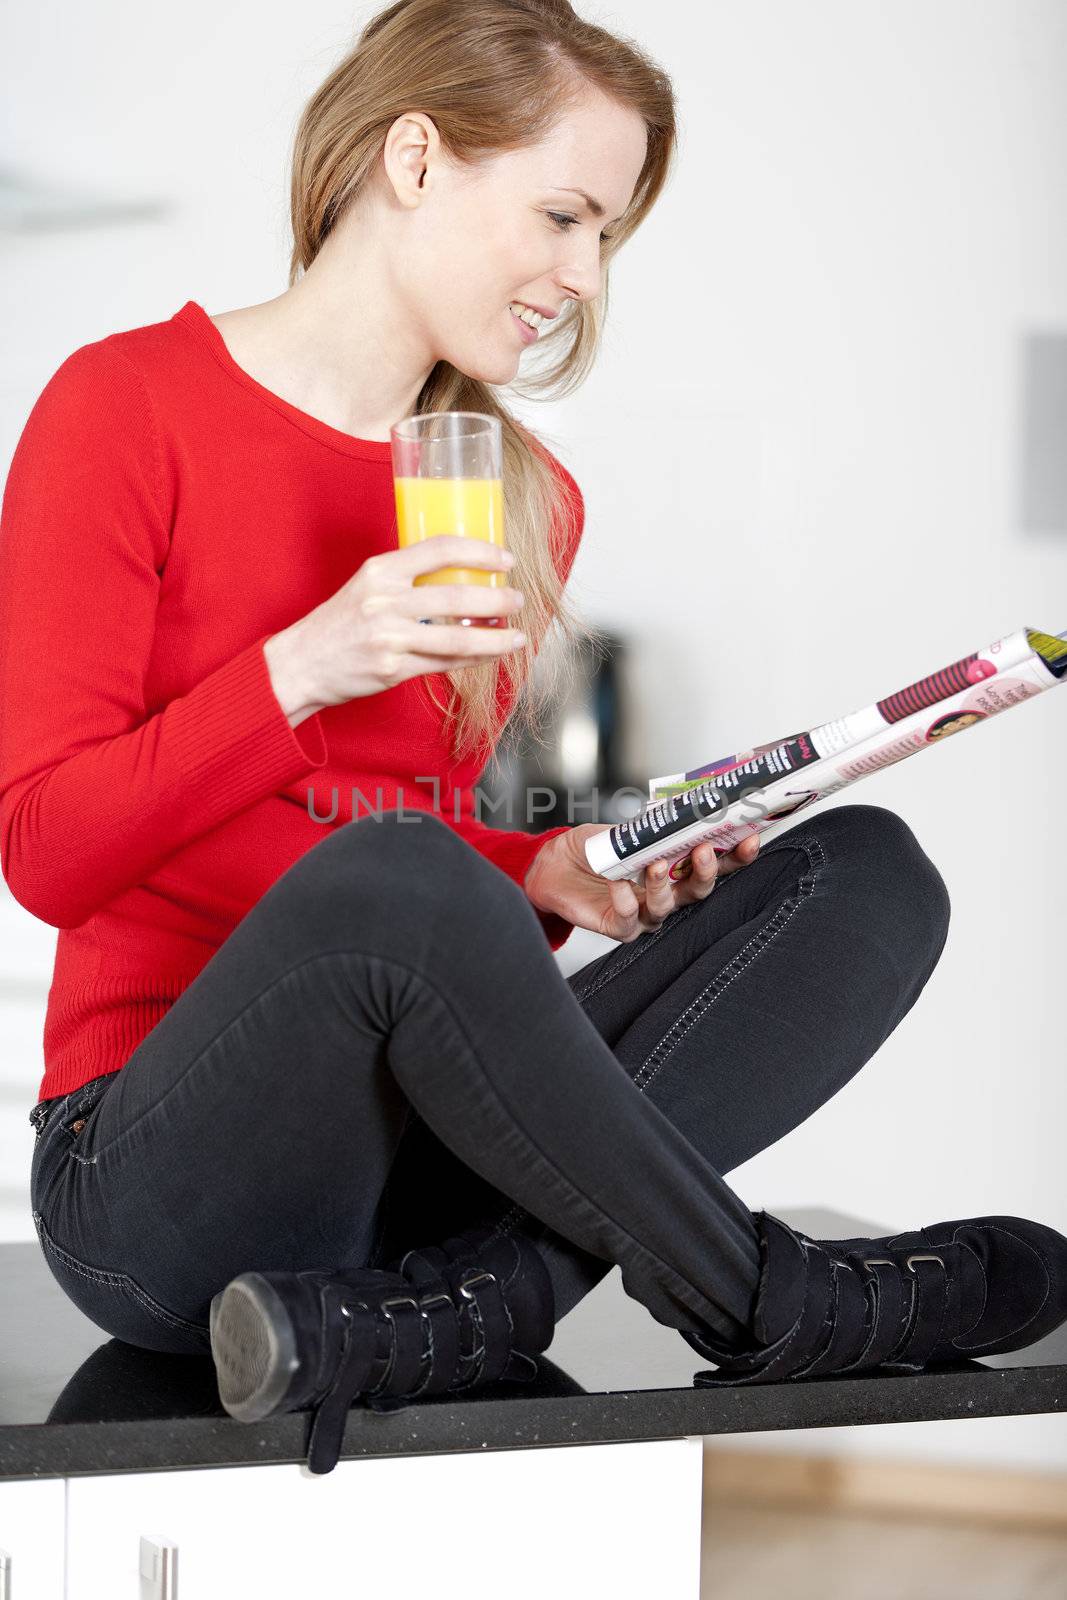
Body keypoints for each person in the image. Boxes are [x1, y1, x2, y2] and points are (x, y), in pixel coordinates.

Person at [4, 0, 1065, 1479]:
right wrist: (302, 667)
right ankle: (761, 1293)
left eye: (608, 236)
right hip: (155, 1184)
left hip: (418, 1189)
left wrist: (553, 870)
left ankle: (468, 1302)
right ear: (416, 158)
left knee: (867, 875)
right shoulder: (125, 410)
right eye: (562, 214)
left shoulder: (520, 495)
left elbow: (413, 881)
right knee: (404, 876)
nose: (582, 275)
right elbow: (49, 848)